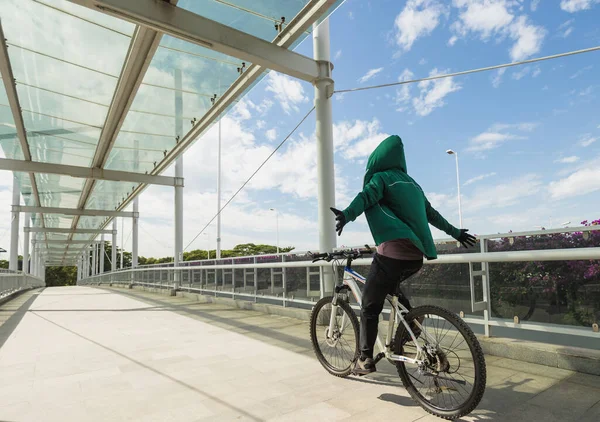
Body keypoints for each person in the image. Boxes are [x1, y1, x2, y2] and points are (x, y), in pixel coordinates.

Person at [330, 135, 476, 375]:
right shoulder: (413, 184)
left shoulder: (381, 178)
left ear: (377, 159)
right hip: (416, 256)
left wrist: (347, 214)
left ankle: (365, 358)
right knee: (391, 287)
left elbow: (366, 197)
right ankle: (413, 324)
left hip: (393, 253)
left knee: (369, 304)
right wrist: (457, 233)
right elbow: (433, 215)